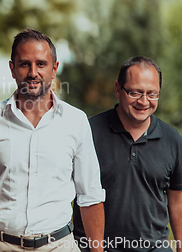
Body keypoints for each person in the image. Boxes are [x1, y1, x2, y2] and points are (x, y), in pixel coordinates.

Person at [0, 28, 105, 252]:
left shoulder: (76, 122)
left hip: (58, 246)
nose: (33, 72)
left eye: (41, 64)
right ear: (12, 69)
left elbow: (90, 195)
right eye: (24, 64)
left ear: (54, 69)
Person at [73, 56, 182, 252]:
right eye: (135, 92)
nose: (143, 101)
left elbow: (177, 201)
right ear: (117, 89)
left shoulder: (173, 139)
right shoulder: (88, 132)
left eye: (152, 94)